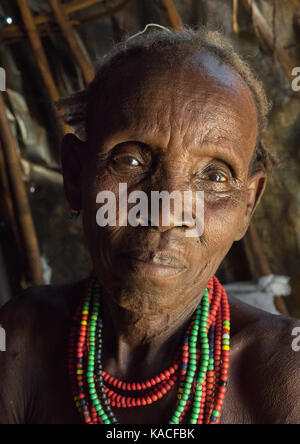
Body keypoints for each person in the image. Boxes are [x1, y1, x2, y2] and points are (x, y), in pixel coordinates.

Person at [0, 26, 299, 425]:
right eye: (130, 160)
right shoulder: (19, 343)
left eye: (214, 176)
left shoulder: (286, 374)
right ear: (75, 175)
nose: (164, 212)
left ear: (247, 205)